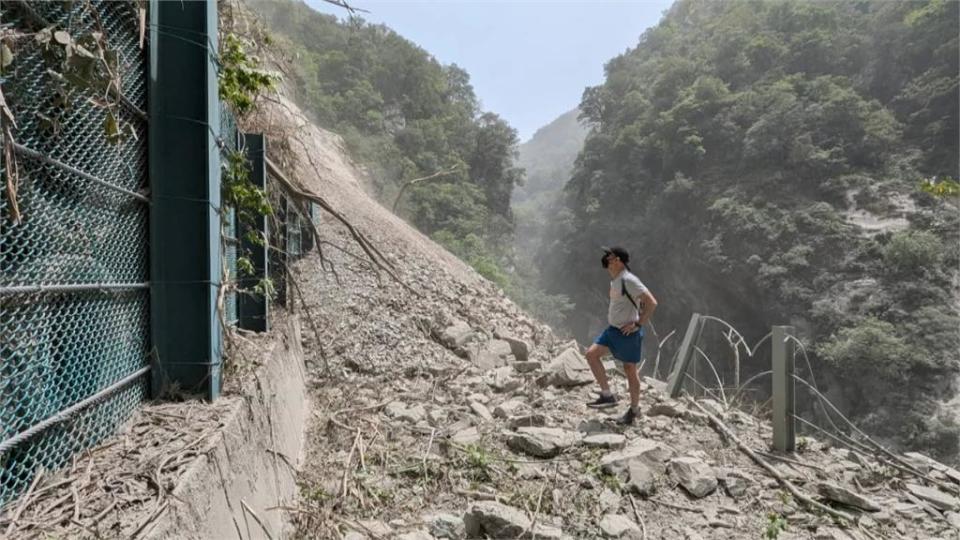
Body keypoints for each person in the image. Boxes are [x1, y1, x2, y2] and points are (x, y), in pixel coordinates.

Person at [585, 246, 658, 425]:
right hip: (613, 330)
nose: (606, 260)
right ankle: (607, 395)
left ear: (618, 260)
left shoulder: (629, 280)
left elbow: (652, 302)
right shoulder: (616, 280)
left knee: (630, 370)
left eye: (609, 257)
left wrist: (638, 324)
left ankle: (634, 410)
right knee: (591, 355)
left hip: (627, 333)